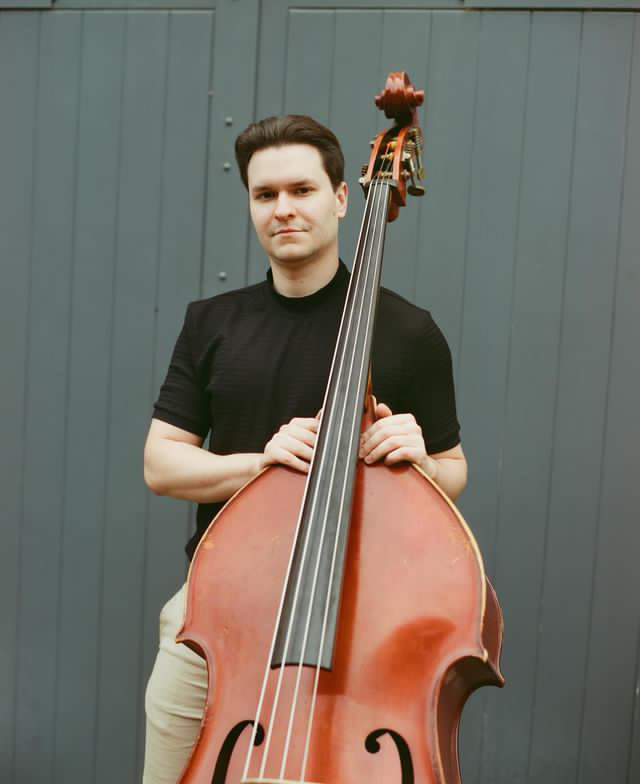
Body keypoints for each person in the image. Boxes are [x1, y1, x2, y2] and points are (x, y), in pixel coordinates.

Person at [142, 115, 467, 783]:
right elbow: (162, 463)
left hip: (362, 621)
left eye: (302, 189)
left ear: (343, 198)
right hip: (219, 615)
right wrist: (258, 466)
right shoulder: (212, 323)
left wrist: (426, 464)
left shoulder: (409, 333)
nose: (283, 209)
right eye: (265, 195)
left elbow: (453, 470)